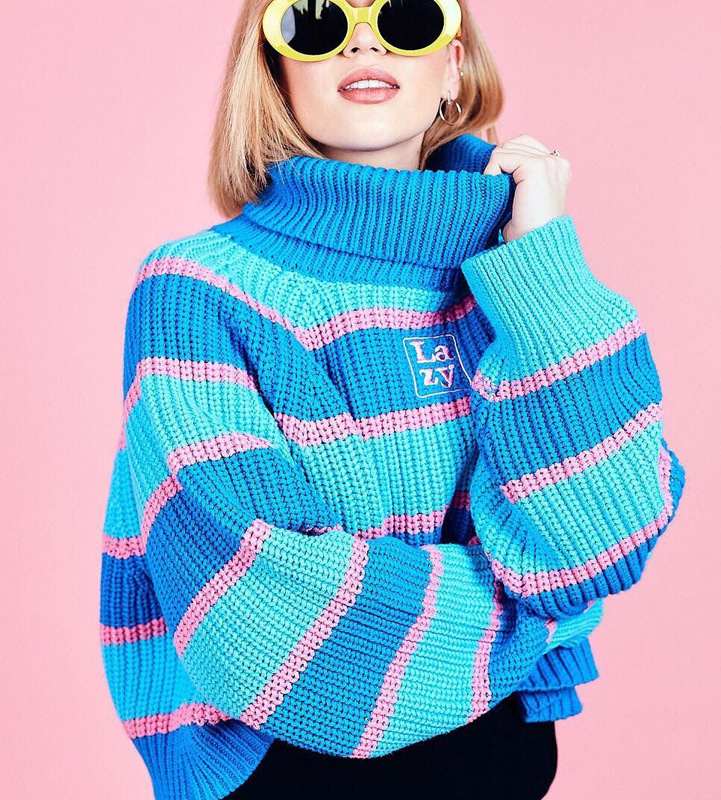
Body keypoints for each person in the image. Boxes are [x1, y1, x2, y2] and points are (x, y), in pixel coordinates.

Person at [98, 2, 686, 799]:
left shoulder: (517, 272)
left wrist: (544, 262)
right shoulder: (197, 291)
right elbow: (268, 620)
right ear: (274, 72)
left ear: (453, 64)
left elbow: (609, 531)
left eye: (406, 15)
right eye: (317, 21)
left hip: (506, 770)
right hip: (296, 777)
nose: (364, 39)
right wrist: (548, 604)